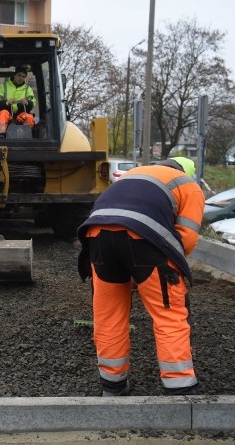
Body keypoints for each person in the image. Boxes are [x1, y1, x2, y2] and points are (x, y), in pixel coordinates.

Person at [76, 157, 205, 397]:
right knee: (169, 312)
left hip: (96, 236)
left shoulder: (132, 175)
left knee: (108, 314)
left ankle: (112, 386)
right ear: (186, 173)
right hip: (145, 237)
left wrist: (133, 271)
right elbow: (186, 238)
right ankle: (180, 388)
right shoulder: (189, 185)